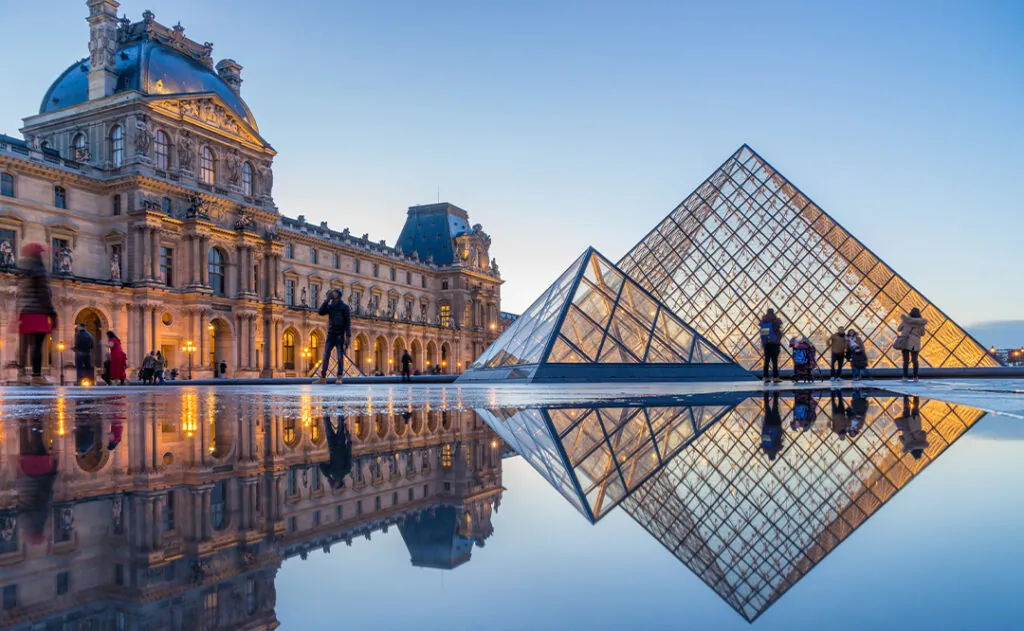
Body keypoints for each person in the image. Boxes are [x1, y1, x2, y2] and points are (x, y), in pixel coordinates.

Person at [16, 243, 57, 385]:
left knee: (25, 344)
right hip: (38, 312)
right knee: (37, 345)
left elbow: (21, 293)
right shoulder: (40, 271)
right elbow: (44, 293)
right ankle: (36, 375)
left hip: (25, 311)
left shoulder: (25, 271)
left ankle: (21, 375)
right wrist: (52, 313)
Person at [315, 289, 351, 384]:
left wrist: (348, 337)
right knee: (325, 355)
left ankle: (339, 377)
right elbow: (320, 312)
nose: (331, 293)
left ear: (338, 295)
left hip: (340, 335)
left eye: (334, 292)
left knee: (340, 357)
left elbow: (348, 323)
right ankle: (323, 378)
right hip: (331, 334)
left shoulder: (344, 307)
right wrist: (326, 300)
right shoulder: (330, 306)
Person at [318, 413, 353, 489]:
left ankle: (326, 406)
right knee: (340, 424)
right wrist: (349, 441)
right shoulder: (345, 471)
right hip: (340, 445)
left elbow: (321, 465)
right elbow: (349, 455)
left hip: (332, 446)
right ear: (339, 483)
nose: (332, 483)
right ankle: (339, 405)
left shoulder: (331, 474)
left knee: (327, 424)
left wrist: (328, 476)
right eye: (334, 485)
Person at [896, 308, 928, 382]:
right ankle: (915, 377)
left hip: (905, 342)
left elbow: (899, 329)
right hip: (915, 343)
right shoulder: (921, 323)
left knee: (905, 361)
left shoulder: (905, 321)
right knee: (915, 360)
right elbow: (923, 334)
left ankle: (905, 376)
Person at [758, 309, 784, 385]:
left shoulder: (763, 321)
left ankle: (766, 377)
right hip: (774, 343)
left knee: (766, 361)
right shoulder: (775, 320)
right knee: (774, 361)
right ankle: (776, 377)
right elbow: (780, 325)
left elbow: (760, 326)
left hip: (766, 343)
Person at [760, 392, 783, 459]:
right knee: (767, 408)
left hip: (776, 425)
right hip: (767, 425)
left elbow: (779, 439)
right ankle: (766, 394)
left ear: (774, 455)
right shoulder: (765, 448)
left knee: (775, 408)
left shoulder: (776, 449)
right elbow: (763, 436)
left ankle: (776, 394)